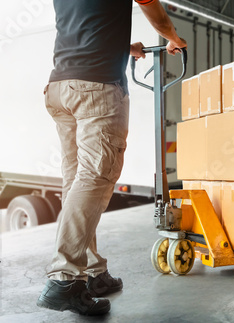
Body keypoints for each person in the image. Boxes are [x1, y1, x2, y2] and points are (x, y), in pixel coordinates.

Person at [37, 0, 187, 316]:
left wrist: (122, 47)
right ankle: (64, 277)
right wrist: (172, 37)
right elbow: (154, 11)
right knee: (95, 178)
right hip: (97, 87)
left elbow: (85, 20)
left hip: (61, 85)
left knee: (78, 180)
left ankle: (92, 271)